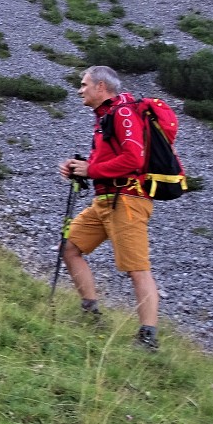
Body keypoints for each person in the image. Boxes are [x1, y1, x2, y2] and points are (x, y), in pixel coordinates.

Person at [57, 65, 162, 352]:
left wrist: (91, 169)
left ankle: (148, 338)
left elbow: (134, 160)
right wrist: (79, 169)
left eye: (84, 84)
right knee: (70, 247)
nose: (80, 90)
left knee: (137, 269)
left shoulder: (123, 113)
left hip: (127, 201)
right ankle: (91, 313)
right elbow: (105, 164)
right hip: (105, 201)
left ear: (101, 87)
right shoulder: (105, 117)